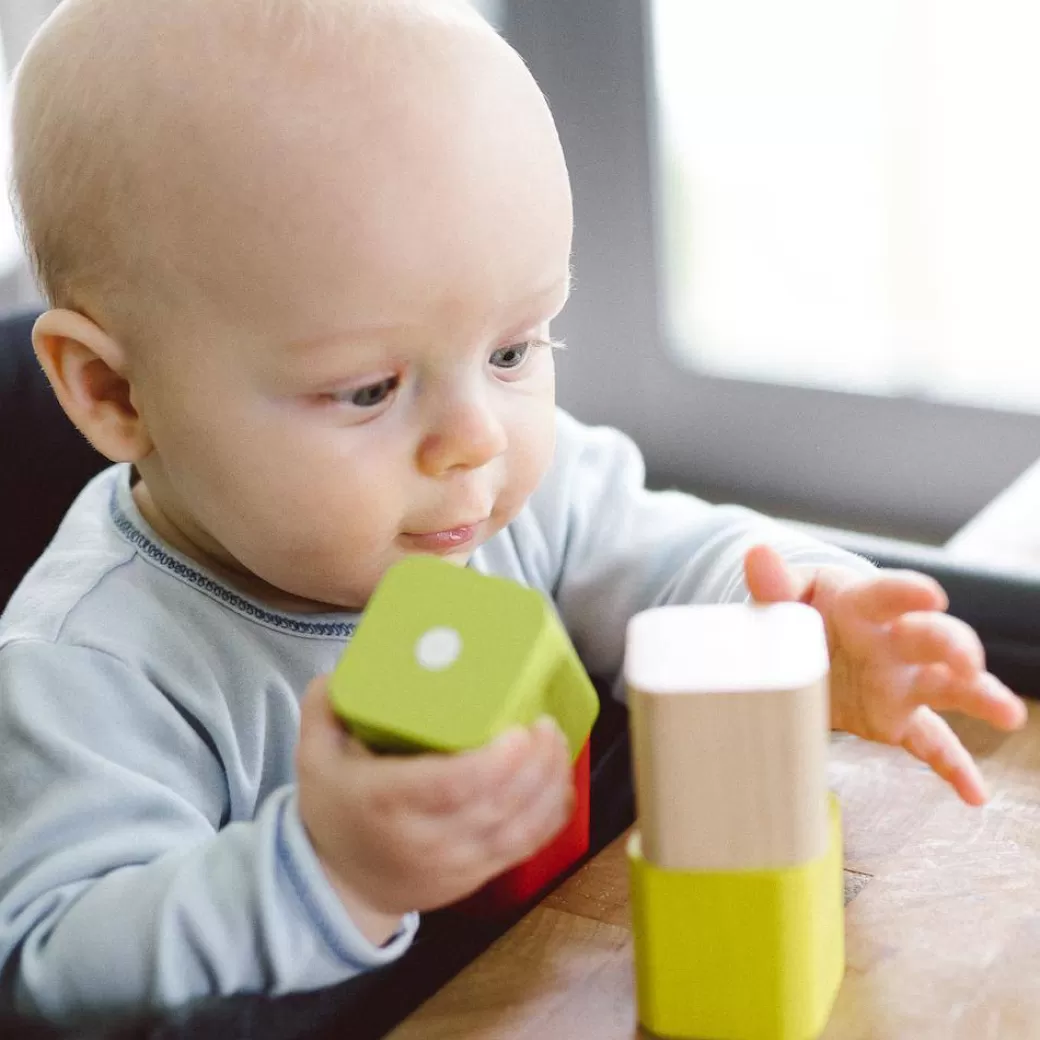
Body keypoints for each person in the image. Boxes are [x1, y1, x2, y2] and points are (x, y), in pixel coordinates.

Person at [0, 0, 1025, 1024]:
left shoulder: (490, 498)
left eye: (510, 350)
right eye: (367, 388)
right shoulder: (90, 669)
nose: (475, 438)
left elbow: (674, 557)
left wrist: (800, 626)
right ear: (114, 393)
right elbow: (51, 971)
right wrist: (323, 867)